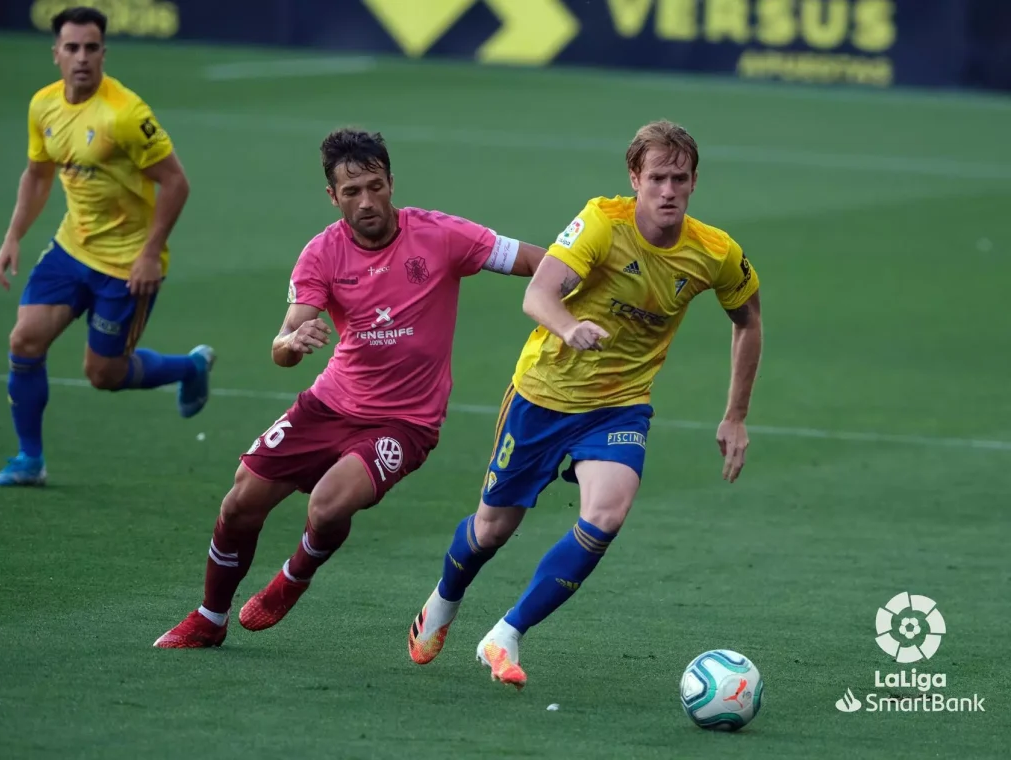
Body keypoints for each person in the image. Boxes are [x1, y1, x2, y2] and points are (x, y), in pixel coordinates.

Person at [154, 127, 545, 649]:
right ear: (332, 196)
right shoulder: (321, 253)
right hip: (329, 403)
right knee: (239, 503)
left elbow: (534, 261)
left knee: (328, 503)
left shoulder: (442, 235)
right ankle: (210, 616)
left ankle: (293, 577)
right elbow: (285, 340)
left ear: (390, 183)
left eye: (375, 186)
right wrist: (294, 340)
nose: (367, 201)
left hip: (405, 423)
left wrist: (584, 281)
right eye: (352, 191)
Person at [407, 120, 764, 689]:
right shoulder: (601, 222)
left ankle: (506, 633)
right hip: (544, 395)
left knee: (607, 513)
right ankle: (445, 600)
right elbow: (537, 293)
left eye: (679, 178)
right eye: (656, 178)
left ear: (695, 181)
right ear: (634, 178)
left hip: (619, 406)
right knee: (493, 529)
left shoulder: (715, 253)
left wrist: (736, 414)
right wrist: (570, 327)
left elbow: (748, 320)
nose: (668, 190)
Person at [0, 6, 213, 487]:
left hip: (127, 263)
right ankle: (29, 460)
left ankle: (191, 366)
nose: (82, 58)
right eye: (72, 48)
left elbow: (176, 183)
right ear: (56, 55)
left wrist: (151, 253)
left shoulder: (126, 114)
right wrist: (13, 237)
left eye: (92, 48)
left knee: (103, 374)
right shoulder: (43, 106)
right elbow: (38, 173)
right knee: (24, 341)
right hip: (72, 249)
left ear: (104, 53)